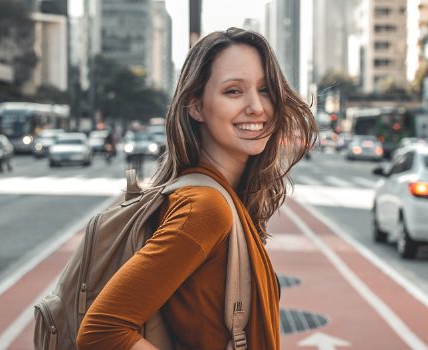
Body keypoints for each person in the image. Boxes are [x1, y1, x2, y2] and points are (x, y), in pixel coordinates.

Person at [77, 28, 317, 350]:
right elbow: (102, 331)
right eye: (233, 91)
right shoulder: (204, 207)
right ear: (196, 106)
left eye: (265, 89)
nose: (257, 107)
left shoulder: (216, 195)